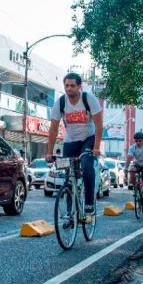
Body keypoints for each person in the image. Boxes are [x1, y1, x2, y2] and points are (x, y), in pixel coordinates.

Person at [45, 72, 103, 215]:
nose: (69, 88)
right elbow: (53, 129)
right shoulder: (61, 102)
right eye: (66, 86)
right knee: (68, 174)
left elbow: (99, 125)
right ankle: (70, 212)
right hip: (70, 140)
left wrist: (96, 147)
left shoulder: (88, 99)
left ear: (79, 86)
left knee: (87, 164)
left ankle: (89, 202)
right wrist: (49, 152)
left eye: (72, 86)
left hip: (88, 138)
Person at [126, 132, 143, 209]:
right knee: (131, 170)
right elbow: (129, 158)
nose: (138, 142)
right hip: (137, 165)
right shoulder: (132, 148)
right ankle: (135, 188)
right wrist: (125, 168)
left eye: (139, 141)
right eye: (136, 141)